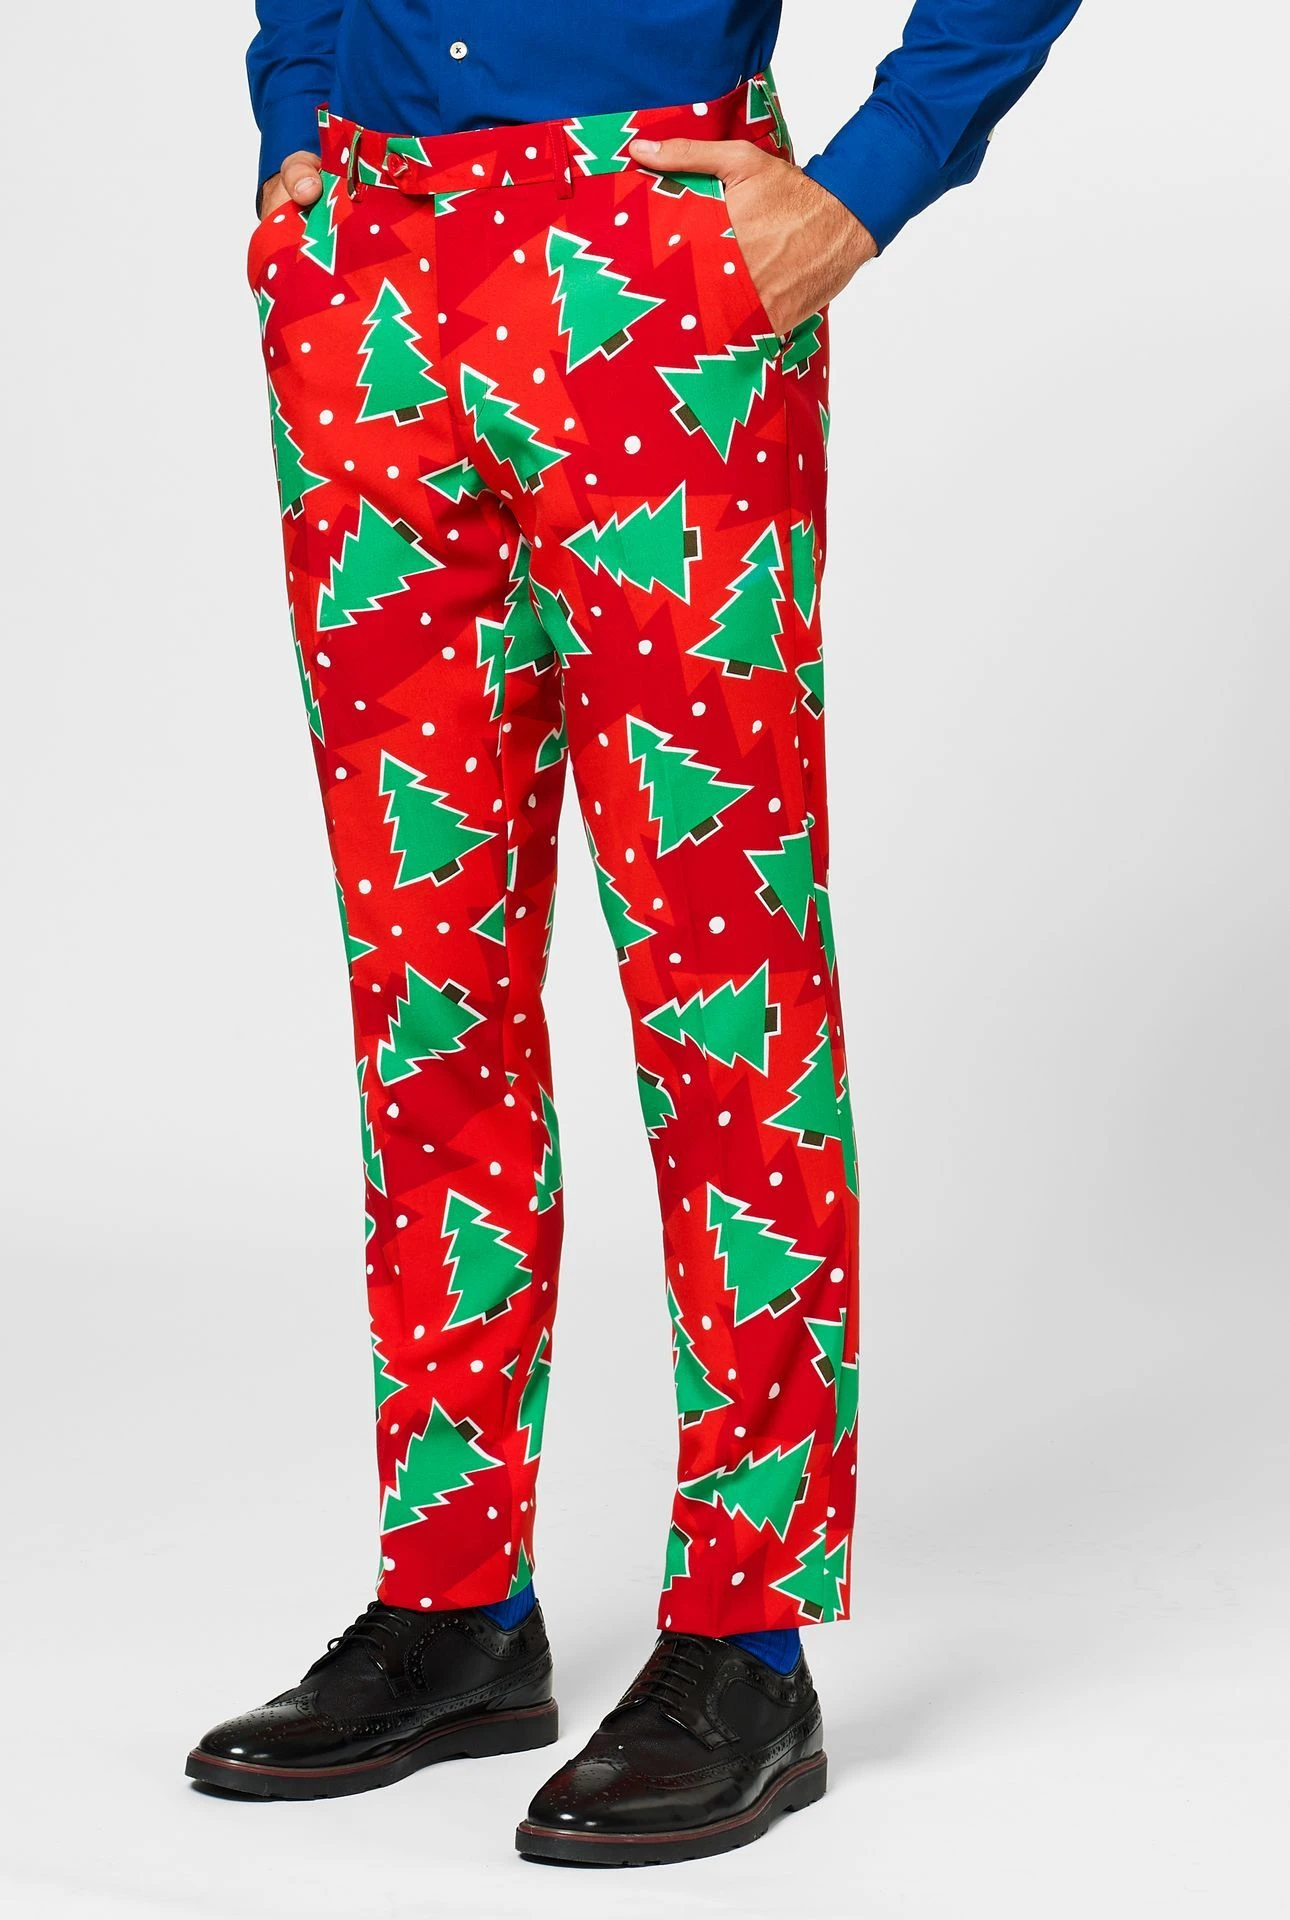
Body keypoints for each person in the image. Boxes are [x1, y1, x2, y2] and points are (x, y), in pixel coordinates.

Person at [187, 0, 1081, 1865]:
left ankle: (747, 1641)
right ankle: (452, 1603)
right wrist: (292, 121)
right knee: (424, 983)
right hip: (366, 269)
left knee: (722, 975)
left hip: (645, 251)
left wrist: (873, 178)